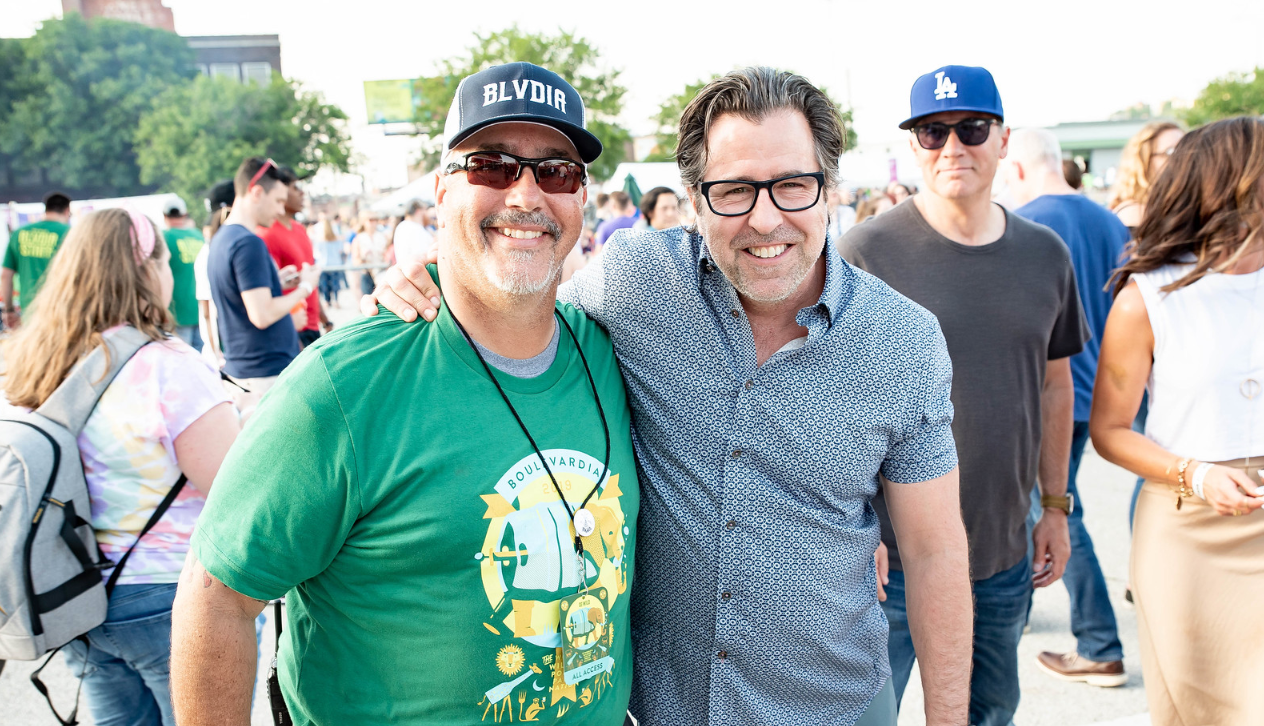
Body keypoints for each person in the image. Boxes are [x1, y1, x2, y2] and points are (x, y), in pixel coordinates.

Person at [368, 66, 975, 726]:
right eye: (734, 190)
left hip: (832, 704)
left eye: (792, 186)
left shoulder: (903, 341)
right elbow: (517, 315)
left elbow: (936, 551)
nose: (765, 218)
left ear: (828, 190)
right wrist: (427, 280)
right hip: (660, 708)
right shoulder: (635, 281)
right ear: (694, 198)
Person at [172, 62, 639, 726]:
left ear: (581, 199)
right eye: (493, 166)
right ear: (443, 191)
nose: (527, 196)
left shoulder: (610, 350)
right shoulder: (344, 385)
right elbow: (217, 595)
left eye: (556, 171)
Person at [839, 65, 1087, 726]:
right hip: (884, 557)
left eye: (972, 128)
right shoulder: (866, 251)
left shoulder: (1045, 254)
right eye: (932, 131)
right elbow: (827, 394)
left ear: (1003, 139)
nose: (953, 147)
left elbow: (1055, 385)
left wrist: (1056, 506)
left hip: (998, 552)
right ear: (916, 145)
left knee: (988, 714)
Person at [3, 207, 239, 726]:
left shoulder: (33, 361)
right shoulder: (167, 366)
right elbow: (234, 491)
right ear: (148, 269)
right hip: (166, 595)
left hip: (72, 594)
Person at [1090, 116, 1264, 726]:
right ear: (1229, 184)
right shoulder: (1148, 296)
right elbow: (1108, 431)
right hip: (1189, 528)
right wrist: (1197, 474)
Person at [1006, 127, 1131, 687]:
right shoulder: (1110, 220)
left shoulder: (1029, 226)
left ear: (1020, 168)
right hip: (1101, 387)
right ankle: (1024, 610)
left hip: (1052, 392)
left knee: (1056, 512)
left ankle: (1101, 643)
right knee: (1041, 508)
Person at [206, 157, 319, 421]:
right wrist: (305, 287)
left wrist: (277, 281)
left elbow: (241, 294)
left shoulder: (224, 238)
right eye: (278, 201)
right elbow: (261, 314)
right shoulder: (248, 243)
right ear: (257, 192)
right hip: (265, 373)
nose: (281, 210)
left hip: (246, 370)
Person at [258, 167, 324, 348]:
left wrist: (324, 320)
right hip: (292, 329)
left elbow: (310, 280)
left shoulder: (300, 229)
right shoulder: (267, 235)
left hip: (311, 325)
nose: (302, 193)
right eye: (295, 188)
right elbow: (270, 293)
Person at [3, 191, 71, 328]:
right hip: (62, 310)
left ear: (46, 209)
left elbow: (6, 276)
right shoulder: (70, 233)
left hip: (29, 310)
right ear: (67, 210)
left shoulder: (19, 233)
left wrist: (8, 310)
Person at [1108, 120, 1184, 231]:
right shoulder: (1134, 214)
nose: (1183, 158)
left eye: (1187, 149)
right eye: (1170, 152)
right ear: (1143, 161)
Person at [163, 197, 205, 350]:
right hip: (200, 308)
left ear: (165, 216)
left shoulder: (164, 237)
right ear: (185, 214)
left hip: (177, 312)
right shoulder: (198, 236)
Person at [393, 199, 435, 269]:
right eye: (425, 210)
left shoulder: (404, 226)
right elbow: (424, 255)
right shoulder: (414, 228)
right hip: (419, 272)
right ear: (418, 211)